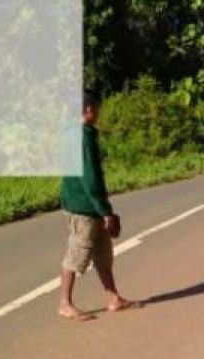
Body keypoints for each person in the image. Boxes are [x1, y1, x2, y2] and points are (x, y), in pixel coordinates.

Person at [58, 91, 140, 321]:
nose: (98, 113)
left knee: (103, 254)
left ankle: (113, 298)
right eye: (97, 108)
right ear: (88, 110)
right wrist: (105, 210)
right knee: (76, 254)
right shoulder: (82, 137)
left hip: (91, 204)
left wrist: (104, 210)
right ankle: (65, 303)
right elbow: (89, 177)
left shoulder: (78, 134)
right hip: (83, 206)